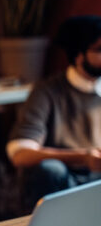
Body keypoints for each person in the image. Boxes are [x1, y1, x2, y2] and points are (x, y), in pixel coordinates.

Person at [7, 15, 101, 209]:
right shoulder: (47, 92)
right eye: (99, 50)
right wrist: (83, 156)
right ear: (78, 55)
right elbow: (20, 154)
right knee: (49, 170)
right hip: (66, 183)